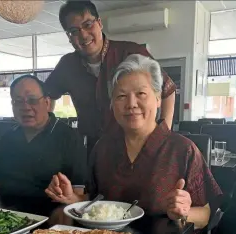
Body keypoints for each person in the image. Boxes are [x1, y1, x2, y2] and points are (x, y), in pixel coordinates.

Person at [45, 55, 222, 231]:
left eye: (141, 94)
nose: (131, 104)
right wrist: (72, 199)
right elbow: (95, 201)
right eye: (121, 96)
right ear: (112, 103)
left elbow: (206, 214)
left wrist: (183, 212)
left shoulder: (183, 150)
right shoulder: (103, 148)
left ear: (158, 98)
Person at [45, 1, 176, 155]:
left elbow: (168, 89)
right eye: (74, 31)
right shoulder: (67, 65)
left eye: (88, 24)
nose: (83, 35)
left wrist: (162, 136)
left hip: (136, 146)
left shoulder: (131, 53)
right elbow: (47, 95)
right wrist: (48, 129)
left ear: (99, 23)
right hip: (91, 150)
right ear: (69, 37)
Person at [0, 75, 87, 216]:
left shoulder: (69, 137)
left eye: (32, 100)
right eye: (18, 101)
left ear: (46, 102)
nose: (25, 107)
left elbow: (78, 196)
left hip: (48, 219)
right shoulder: (7, 138)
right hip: (3, 217)